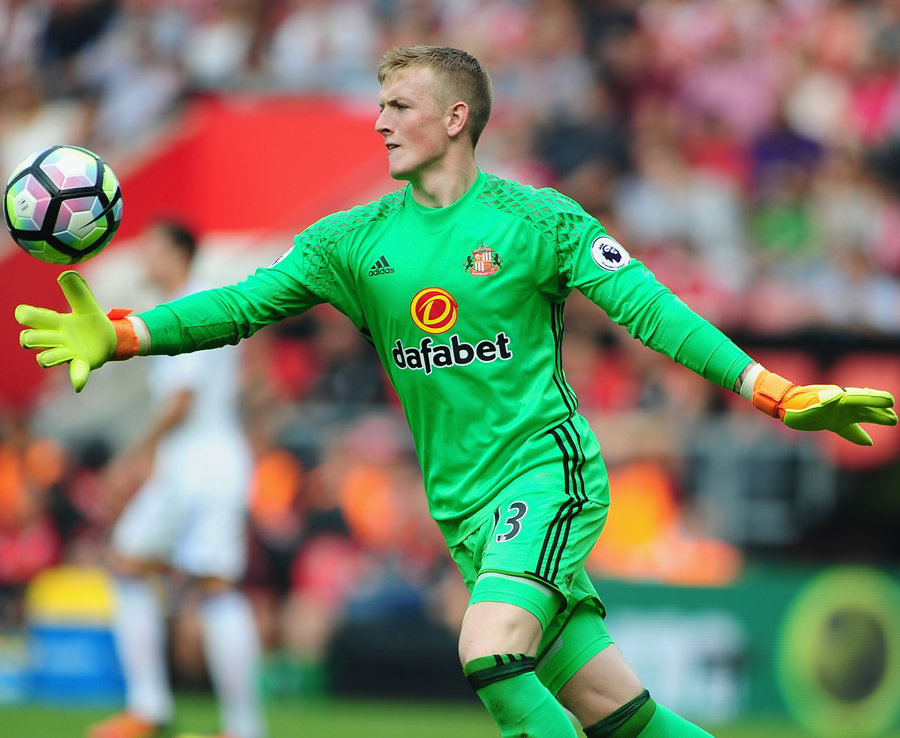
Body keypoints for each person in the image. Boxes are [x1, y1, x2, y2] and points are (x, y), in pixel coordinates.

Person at [16, 46, 897, 738]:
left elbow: (653, 312)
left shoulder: (536, 220)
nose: (380, 123)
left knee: (487, 652)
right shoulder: (350, 241)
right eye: (379, 105)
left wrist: (772, 389)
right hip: (463, 505)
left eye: (398, 106)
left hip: (544, 475)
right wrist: (126, 332)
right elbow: (241, 302)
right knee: (618, 715)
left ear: (455, 116)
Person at [79, 221, 267, 738]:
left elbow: (182, 401)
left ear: (179, 253)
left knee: (216, 587)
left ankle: (243, 728)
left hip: (206, 466)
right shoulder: (188, 304)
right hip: (187, 465)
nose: (144, 258)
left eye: (153, 249)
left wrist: (132, 456)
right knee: (127, 562)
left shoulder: (194, 306)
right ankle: (149, 708)